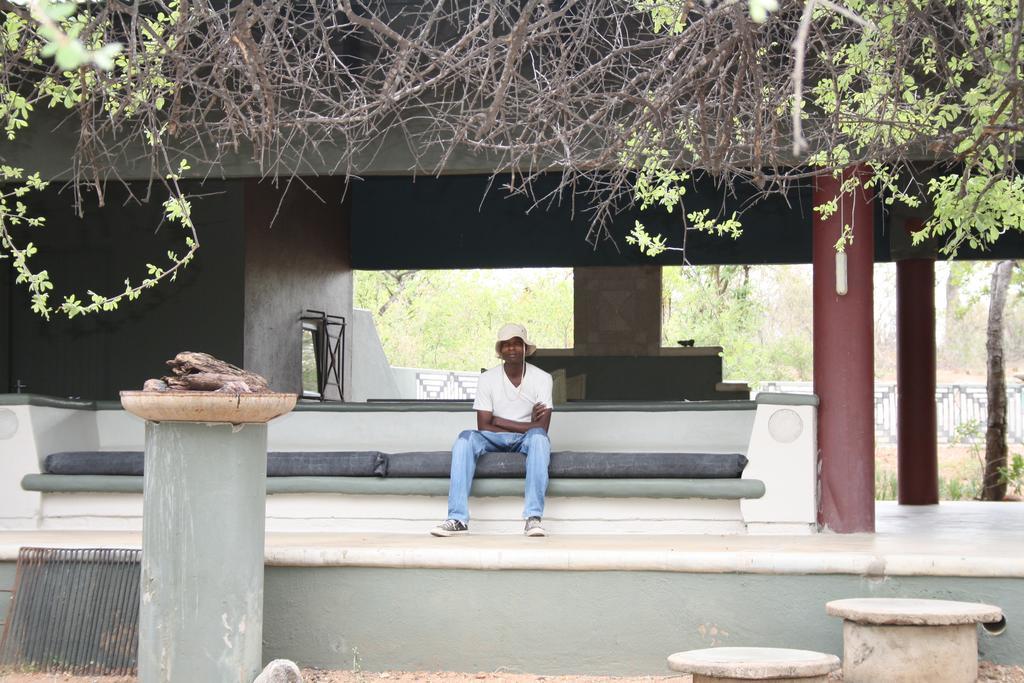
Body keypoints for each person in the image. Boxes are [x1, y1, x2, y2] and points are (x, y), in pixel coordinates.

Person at [431, 323, 553, 537]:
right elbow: (483, 426)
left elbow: (542, 428)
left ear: (525, 348)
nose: (512, 348)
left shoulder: (542, 378)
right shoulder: (487, 379)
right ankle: (457, 518)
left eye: (517, 343)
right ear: (500, 350)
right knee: (464, 439)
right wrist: (525, 424)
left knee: (539, 440)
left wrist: (498, 419)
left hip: (528, 439)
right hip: (493, 438)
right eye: (506, 345)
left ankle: (533, 518)